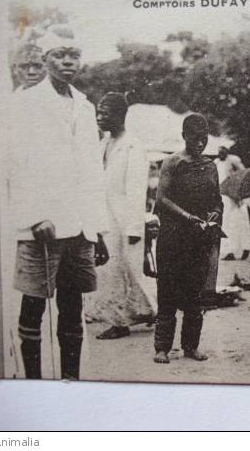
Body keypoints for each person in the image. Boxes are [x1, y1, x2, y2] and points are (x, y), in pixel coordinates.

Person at [8, 26, 109, 380]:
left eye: (74, 55)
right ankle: (34, 384)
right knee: (34, 305)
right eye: (60, 54)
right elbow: (15, 163)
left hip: (79, 224)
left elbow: (92, 170)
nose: (68, 61)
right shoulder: (26, 102)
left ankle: (71, 382)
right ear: (46, 59)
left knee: (72, 307)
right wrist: (35, 216)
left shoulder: (84, 105)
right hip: (43, 223)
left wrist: (97, 228)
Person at [153, 114, 223, 364]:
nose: (200, 144)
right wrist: (187, 216)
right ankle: (162, 348)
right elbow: (161, 199)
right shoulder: (172, 162)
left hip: (198, 239)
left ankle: (190, 346)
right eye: (195, 138)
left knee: (195, 296)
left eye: (204, 139)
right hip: (173, 237)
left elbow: (217, 198)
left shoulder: (210, 166)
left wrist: (214, 212)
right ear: (184, 136)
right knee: (167, 293)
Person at [84, 92, 155, 339]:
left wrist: (135, 228)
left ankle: (125, 320)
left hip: (125, 220)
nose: (99, 118)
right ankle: (141, 313)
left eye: (104, 113)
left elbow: (136, 190)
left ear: (119, 115)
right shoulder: (104, 143)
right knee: (112, 271)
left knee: (128, 271)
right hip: (105, 218)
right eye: (98, 113)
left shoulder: (133, 146)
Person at [214, 146, 250, 260]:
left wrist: (239, 193)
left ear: (227, 151)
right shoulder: (216, 163)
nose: (221, 153)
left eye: (223, 150)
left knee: (239, 222)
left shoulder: (234, 160)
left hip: (234, 197)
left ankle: (246, 247)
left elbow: (243, 174)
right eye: (219, 151)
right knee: (226, 224)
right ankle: (229, 251)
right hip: (222, 196)